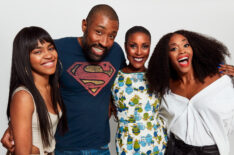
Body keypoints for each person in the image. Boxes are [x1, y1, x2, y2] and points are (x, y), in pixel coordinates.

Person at [1, 4, 126, 155]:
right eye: (98, 32)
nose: (104, 42)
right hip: (64, 148)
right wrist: (15, 125)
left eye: (112, 35)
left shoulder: (116, 52)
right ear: (84, 25)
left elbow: (123, 85)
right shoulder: (57, 49)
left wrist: (112, 103)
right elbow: (35, 86)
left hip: (101, 147)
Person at [146, 30, 234, 155]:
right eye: (173, 49)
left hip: (211, 151)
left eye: (186, 45)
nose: (182, 51)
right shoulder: (166, 89)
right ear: (166, 57)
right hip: (176, 150)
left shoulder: (220, 80)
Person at [6, 26, 67, 155]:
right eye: (38, 52)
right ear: (24, 58)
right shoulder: (24, 96)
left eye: (50, 48)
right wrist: (36, 151)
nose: (49, 55)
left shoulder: (54, 87)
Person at [111, 26, 167, 155]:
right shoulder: (115, 78)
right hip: (127, 147)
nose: (139, 52)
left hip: (157, 146)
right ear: (125, 47)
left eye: (145, 46)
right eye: (133, 46)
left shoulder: (158, 76)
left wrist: (220, 75)